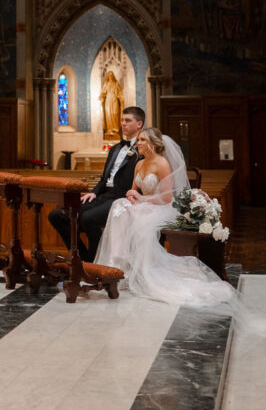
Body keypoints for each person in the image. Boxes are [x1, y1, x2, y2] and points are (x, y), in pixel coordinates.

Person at [95, 127, 236, 310]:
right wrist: (131, 196)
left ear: (153, 144)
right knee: (119, 205)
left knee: (136, 219)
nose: (138, 143)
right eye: (138, 140)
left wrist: (142, 199)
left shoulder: (162, 164)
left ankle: (135, 270)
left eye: (142, 140)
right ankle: (116, 263)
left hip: (159, 207)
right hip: (142, 205)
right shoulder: (139, 164)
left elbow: (167, 198)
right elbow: (133, 190)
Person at [48, 106, 145, 262]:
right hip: (103, 195)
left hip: (122, 198)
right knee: (56, 215)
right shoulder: (114, 149)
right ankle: (82, 258)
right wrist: (94, 192)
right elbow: (104, 178)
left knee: (88, 218)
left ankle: (94, 262)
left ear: (139, 124)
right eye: (122, 120)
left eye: (128, 120)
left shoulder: (143, 149)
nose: (123, 124)